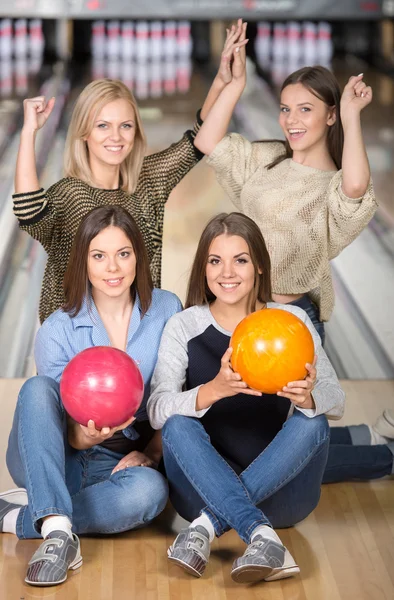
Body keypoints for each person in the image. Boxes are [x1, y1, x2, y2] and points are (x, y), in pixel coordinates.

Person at [147, 212, 345, 584]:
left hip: (282, 494)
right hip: (200, 487)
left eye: (240, 260)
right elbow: (156, 411)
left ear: (259, 268)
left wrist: (308, 397)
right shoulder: (185, 326)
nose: (227, 272)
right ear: (203, 269)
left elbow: (337, 399)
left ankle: (209, 526)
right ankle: (260, 535)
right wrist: (212, 391)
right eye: (215, 260)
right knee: (176, 424)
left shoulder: (292, 321)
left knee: (313, 420)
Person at [12, 25, 247, 324]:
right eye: (103, 126)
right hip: (77, 345)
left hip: (139, 338)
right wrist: (28, 131)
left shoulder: (148, 180)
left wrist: (225, 81)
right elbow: (28, 211)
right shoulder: (70, 195)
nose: (116, 137)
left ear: (136, 131)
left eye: (125, 125)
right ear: (84, 132)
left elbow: (198, 141)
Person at [0, 205, 182, 587]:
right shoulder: (57, 328)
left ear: (138, 257)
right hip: (57, 453)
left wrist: (150, 454)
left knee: (150, 493)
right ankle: (56, 525)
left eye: (123, 254)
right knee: (37, 388)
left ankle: (34, 519)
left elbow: (176, 395)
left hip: (116, 461)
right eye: (99, 255)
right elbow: (48, 421)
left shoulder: (167, 310)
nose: (112, 268)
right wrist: (83, 436)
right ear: (84, 260)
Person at [193, 20, 377, 343]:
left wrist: (351, 114)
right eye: (285, 109)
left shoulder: (334, 187)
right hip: (240, 310)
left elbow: (357, 188)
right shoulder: (269, 158)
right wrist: (232, 83)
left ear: (330, 116)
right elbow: (208, 140)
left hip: (293, 322)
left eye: (305, 109)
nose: (291, 120)